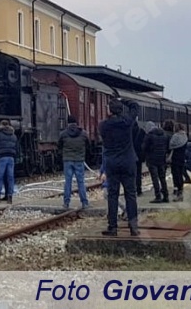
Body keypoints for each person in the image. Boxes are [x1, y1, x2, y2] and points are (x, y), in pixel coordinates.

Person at [98, 99, 140, 236]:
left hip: (112, 163)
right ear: (121, 110)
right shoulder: (127, 122)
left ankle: (112, 227)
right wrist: (123, 100)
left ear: (109, 111)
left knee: (112, 195)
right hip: (128, 161)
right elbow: (135, 106)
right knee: (130, 194)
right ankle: (133, 226)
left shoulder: (103, 126)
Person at [58, 114, 90, 210]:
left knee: (68, 182)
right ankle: (84, 202)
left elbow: (59, 145)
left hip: (67, 160)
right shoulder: (83, 133)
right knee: (81, 182)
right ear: (76, 123)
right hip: (79, 160)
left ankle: (66, 203)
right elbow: (88, 145)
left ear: (68, 123)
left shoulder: (63, 134)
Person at [141, 120, 170, 203]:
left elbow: (144, 147)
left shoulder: (149, 136)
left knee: (155, 178)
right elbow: (167, 147)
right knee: (162, 178)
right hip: (162, 159)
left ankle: (158, 196)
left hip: (152, 160)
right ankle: (166, 196)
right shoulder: (164, 135)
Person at [0, 119, 18, 204]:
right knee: (10, 177)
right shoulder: (13, 136)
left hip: (2, 157)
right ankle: (9, 196)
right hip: (11, 158)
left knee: (0, 177)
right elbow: (16, 147)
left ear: (1, 125)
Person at [168, 121, 188, 202]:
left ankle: (178, 191)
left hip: (175, 158)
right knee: (180, 174)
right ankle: (180, 191)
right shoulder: (185, 136)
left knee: (176, 175)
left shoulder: (175, 136)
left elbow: (171, 145)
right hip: (182, 158)